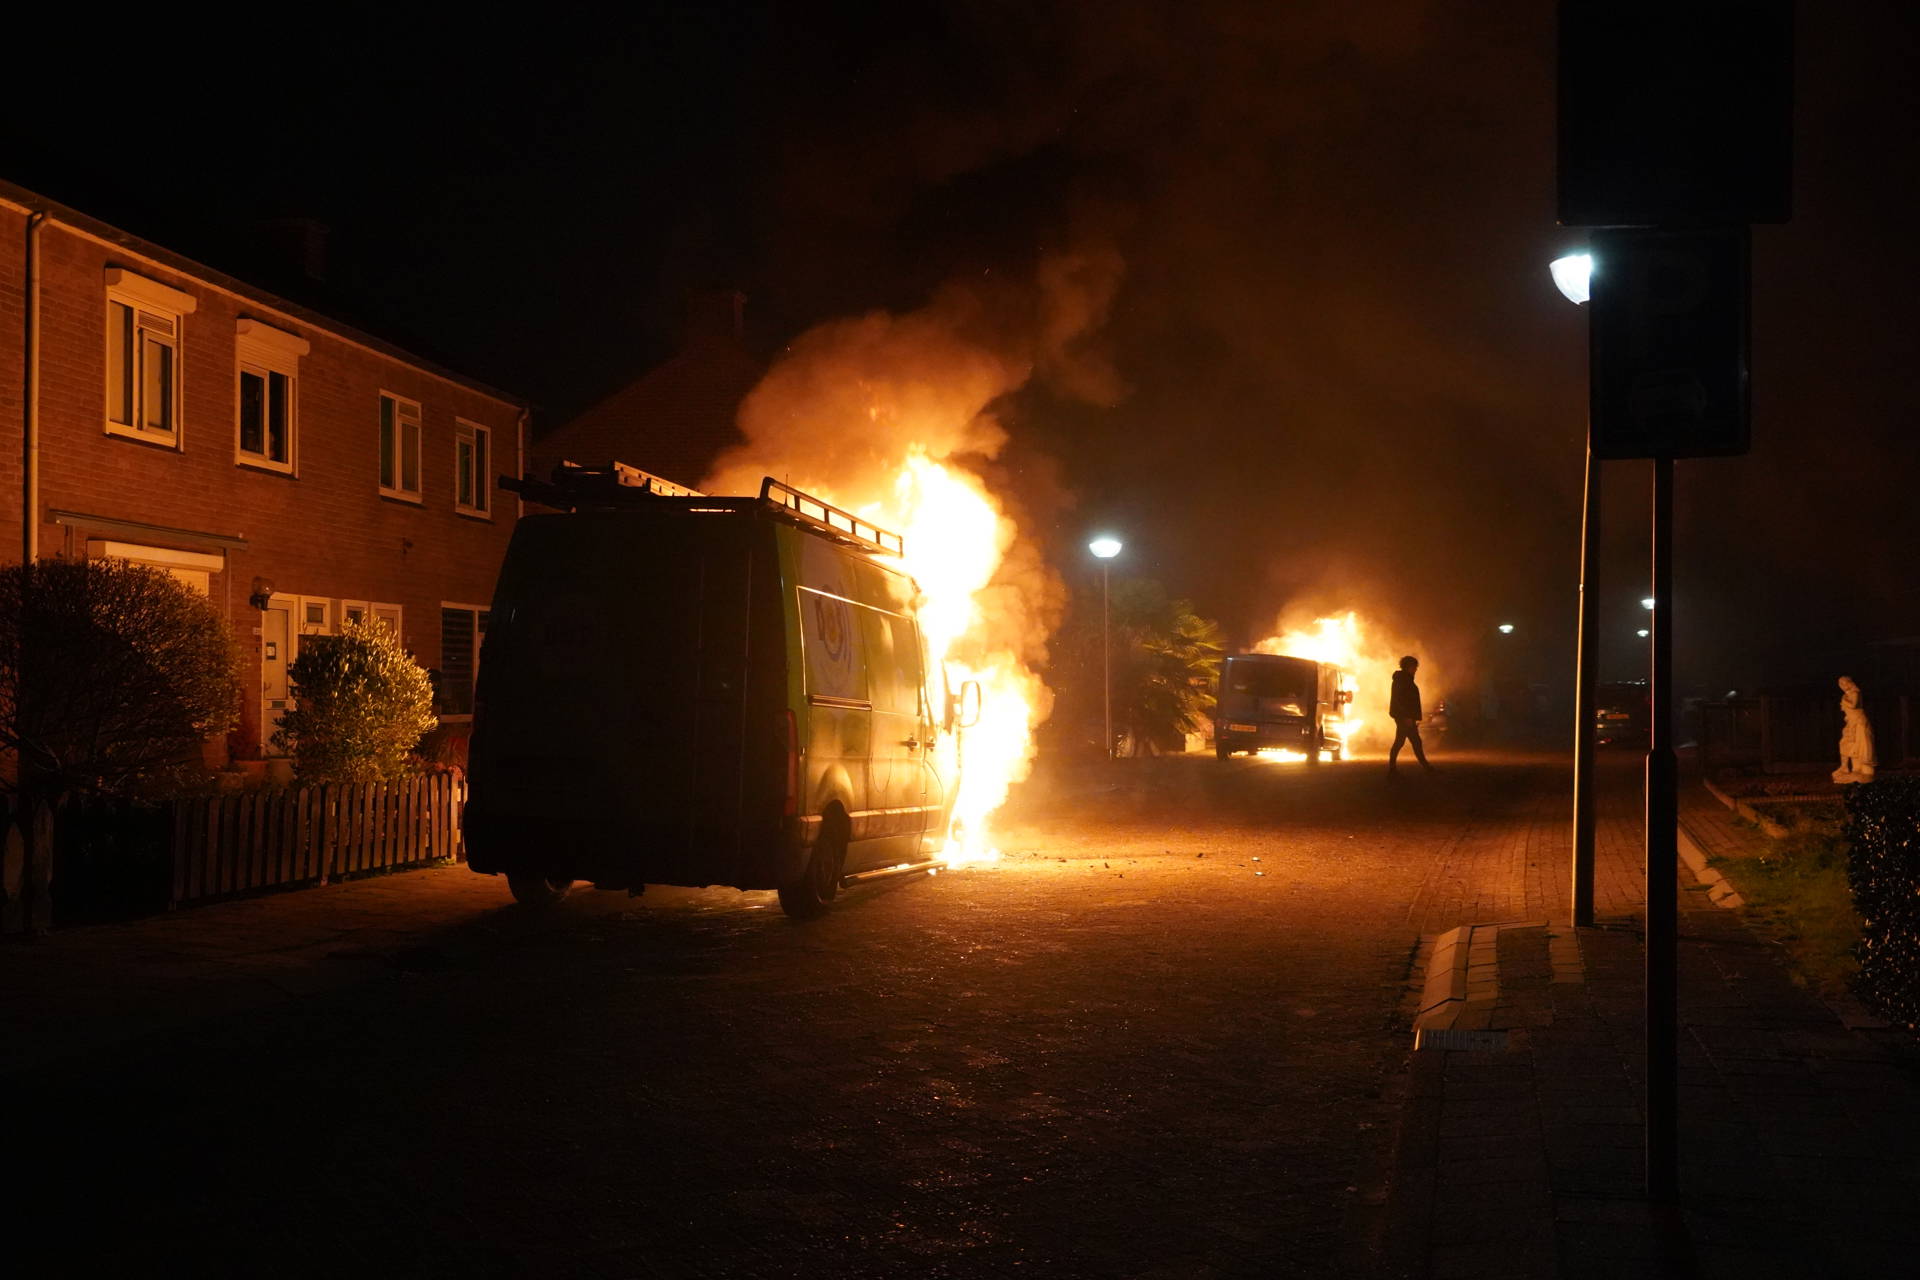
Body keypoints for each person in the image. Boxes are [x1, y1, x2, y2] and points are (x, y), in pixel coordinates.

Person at [1389, 655, 1435, 775]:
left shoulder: (1405, 679)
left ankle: (1393, 770)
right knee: (1407, 742)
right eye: (1414, 666)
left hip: (1406, 717)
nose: (1416, 669)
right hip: (1404, 717)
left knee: (1406, 742)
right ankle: (1426, 768)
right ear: (1408, 667)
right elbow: (1400, 700)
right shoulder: (1402, 680)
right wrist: (1407, 717)